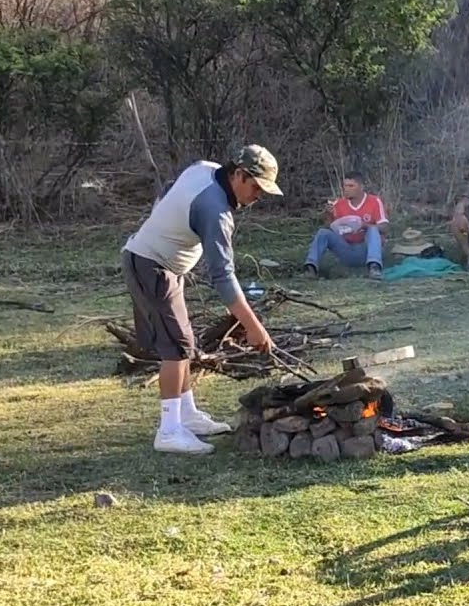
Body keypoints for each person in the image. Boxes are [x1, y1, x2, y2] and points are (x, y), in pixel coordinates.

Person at [121, 145, 281, 455]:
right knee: (176, 347)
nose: (258, 196)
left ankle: (188, 415)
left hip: (163, 266)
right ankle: (168, 431)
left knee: (185, 342)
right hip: (150, 265)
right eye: (257, 187)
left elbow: (169, 191)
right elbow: (222, 276)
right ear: (238, 174)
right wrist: (253, 326)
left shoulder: (205, 168)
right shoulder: (216, 211)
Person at [303, 172, 388, 280]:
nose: (346, 189)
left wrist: (364, 225)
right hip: (346, 248)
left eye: (351, 186)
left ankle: (374, 267)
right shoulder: (339, 204)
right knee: (323, 233)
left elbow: (385, 227)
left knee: (372, 229)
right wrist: (328, 215)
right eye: (345, 186)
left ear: (361, 187)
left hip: (366, 249)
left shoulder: (374, 201)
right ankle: (310, 268)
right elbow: (331, 230)